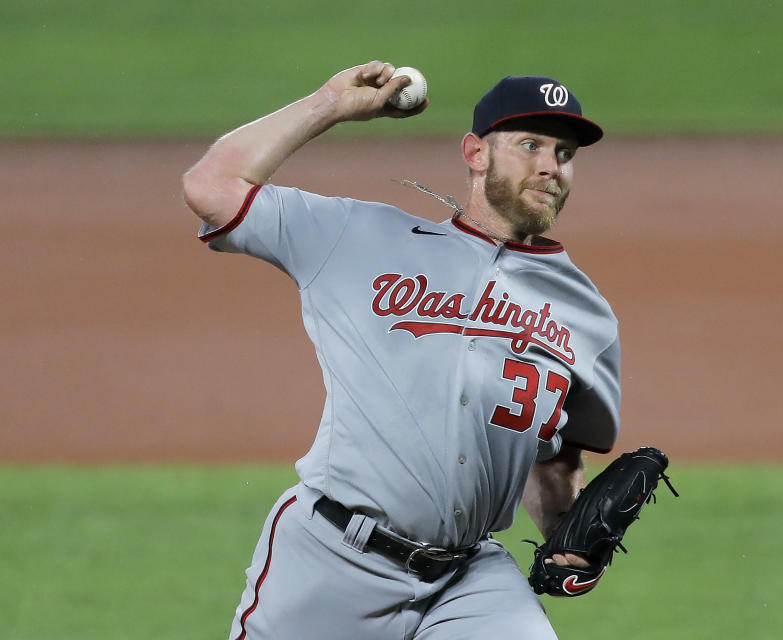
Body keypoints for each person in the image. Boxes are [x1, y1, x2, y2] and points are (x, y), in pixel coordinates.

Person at [182, 60, 620, 640]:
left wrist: (572, 543)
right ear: (476, 153)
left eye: (564, 153)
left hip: (468, 577)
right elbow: (211, 189)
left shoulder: (586, 313)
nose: (549, 166)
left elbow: (554, 459)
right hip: (331, 557)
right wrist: (329, 105)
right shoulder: (357, 236)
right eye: (530, 144)